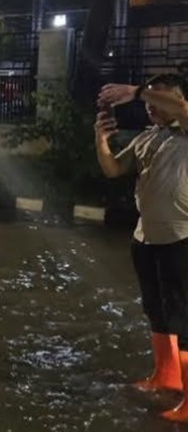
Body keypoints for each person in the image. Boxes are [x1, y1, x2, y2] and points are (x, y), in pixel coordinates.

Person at [95, 74, 188, 423]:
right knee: (158, 313)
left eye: (159, 99)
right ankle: (165, 376)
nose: (151, 106)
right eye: (149, 102)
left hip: (181, 238)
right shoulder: (148, 137)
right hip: (145, 237)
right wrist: (101, 139)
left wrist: (135, 91)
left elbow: (181, 109)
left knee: (184, 318)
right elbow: (113, 168)